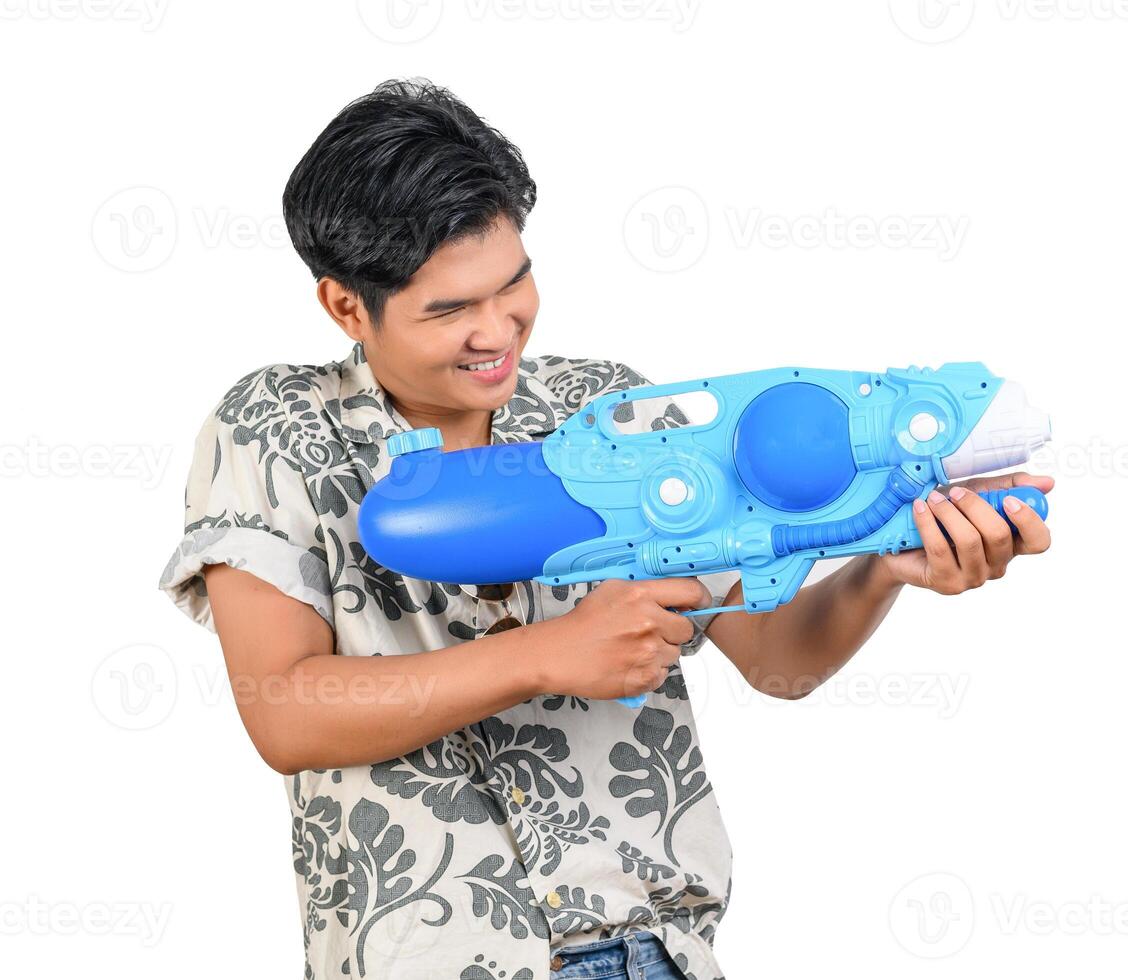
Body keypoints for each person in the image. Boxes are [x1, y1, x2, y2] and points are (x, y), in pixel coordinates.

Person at [157, 78, 1053, 980]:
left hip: (654, 953)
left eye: (514, 285)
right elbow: (284, 711)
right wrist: (549, 654)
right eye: (450, 310)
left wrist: (884, 566)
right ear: (348, 306)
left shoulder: (612, 408)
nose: (496, 330)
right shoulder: (276, 426)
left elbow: (780, 660)